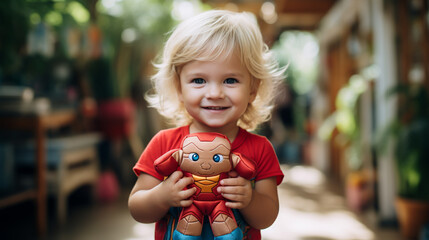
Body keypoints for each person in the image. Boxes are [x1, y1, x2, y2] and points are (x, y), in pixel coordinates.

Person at [128, 10, 285, 240]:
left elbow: (268, 216)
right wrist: (162, 196)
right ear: (179, 87)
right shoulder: (164, 143)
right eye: (198, 80)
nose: (214, 93)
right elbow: (136, 207)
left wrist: (250, 200)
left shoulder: (260, 149)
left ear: (252, 88)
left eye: (230, 80)